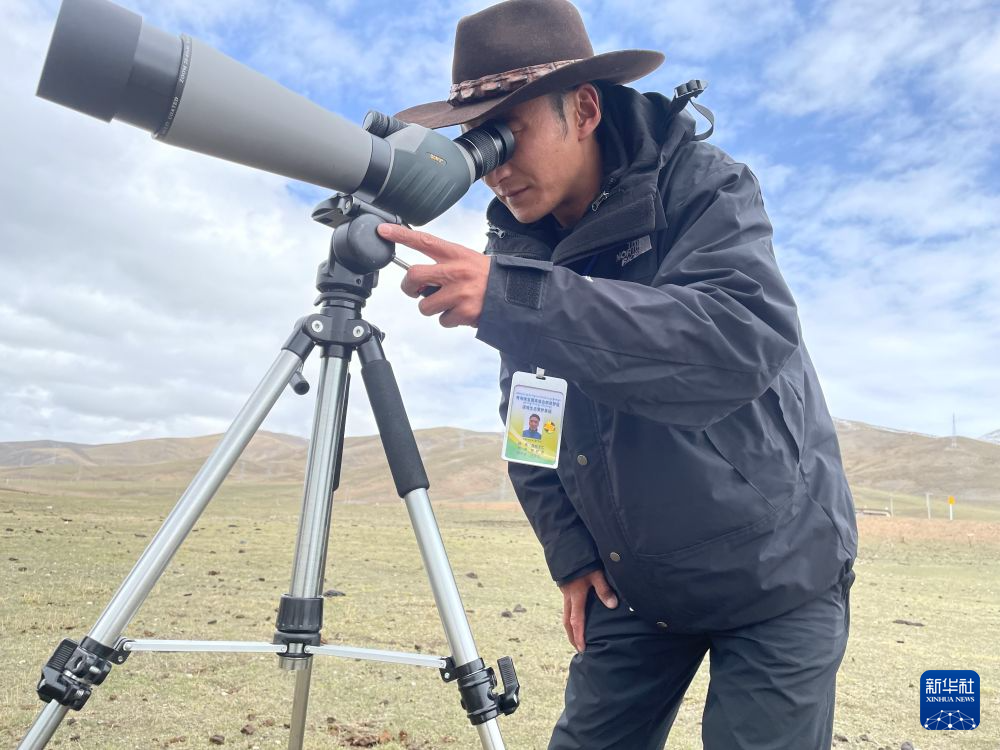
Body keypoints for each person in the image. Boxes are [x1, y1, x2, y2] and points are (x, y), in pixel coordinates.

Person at [376, 1, 858, 747]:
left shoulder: (703, 187)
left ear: (586, 109)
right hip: (636, 587)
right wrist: (570, 554)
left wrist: (516, 297)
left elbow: (736, 341)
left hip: (779, 572)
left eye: (509, 132)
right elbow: (531, 422)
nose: (495, 168)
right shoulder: (522, 250)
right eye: (477, 141)